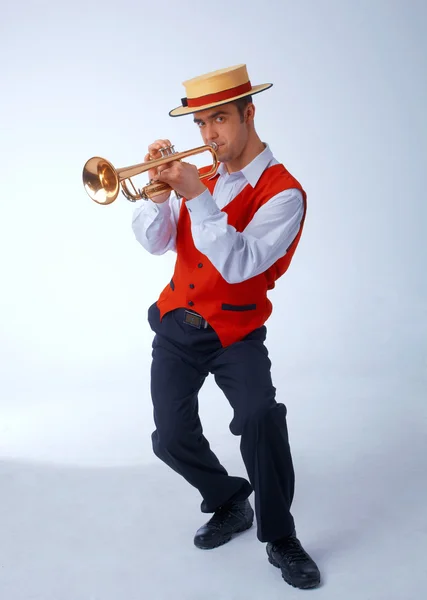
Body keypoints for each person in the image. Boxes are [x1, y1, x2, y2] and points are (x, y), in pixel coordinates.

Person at [131, 64, 321, 590]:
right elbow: (156, 244)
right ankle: (228, 501)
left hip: (235, 331)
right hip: (176, 323)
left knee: (260, 416)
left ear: (249, 114)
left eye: (219, 119)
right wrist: (158, 194)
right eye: (200, 124)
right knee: (168, 438)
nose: (209, 135)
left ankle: (281, 536)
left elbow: (241, 264)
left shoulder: (285, 193)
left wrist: (195, 195)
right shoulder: (205, 178)